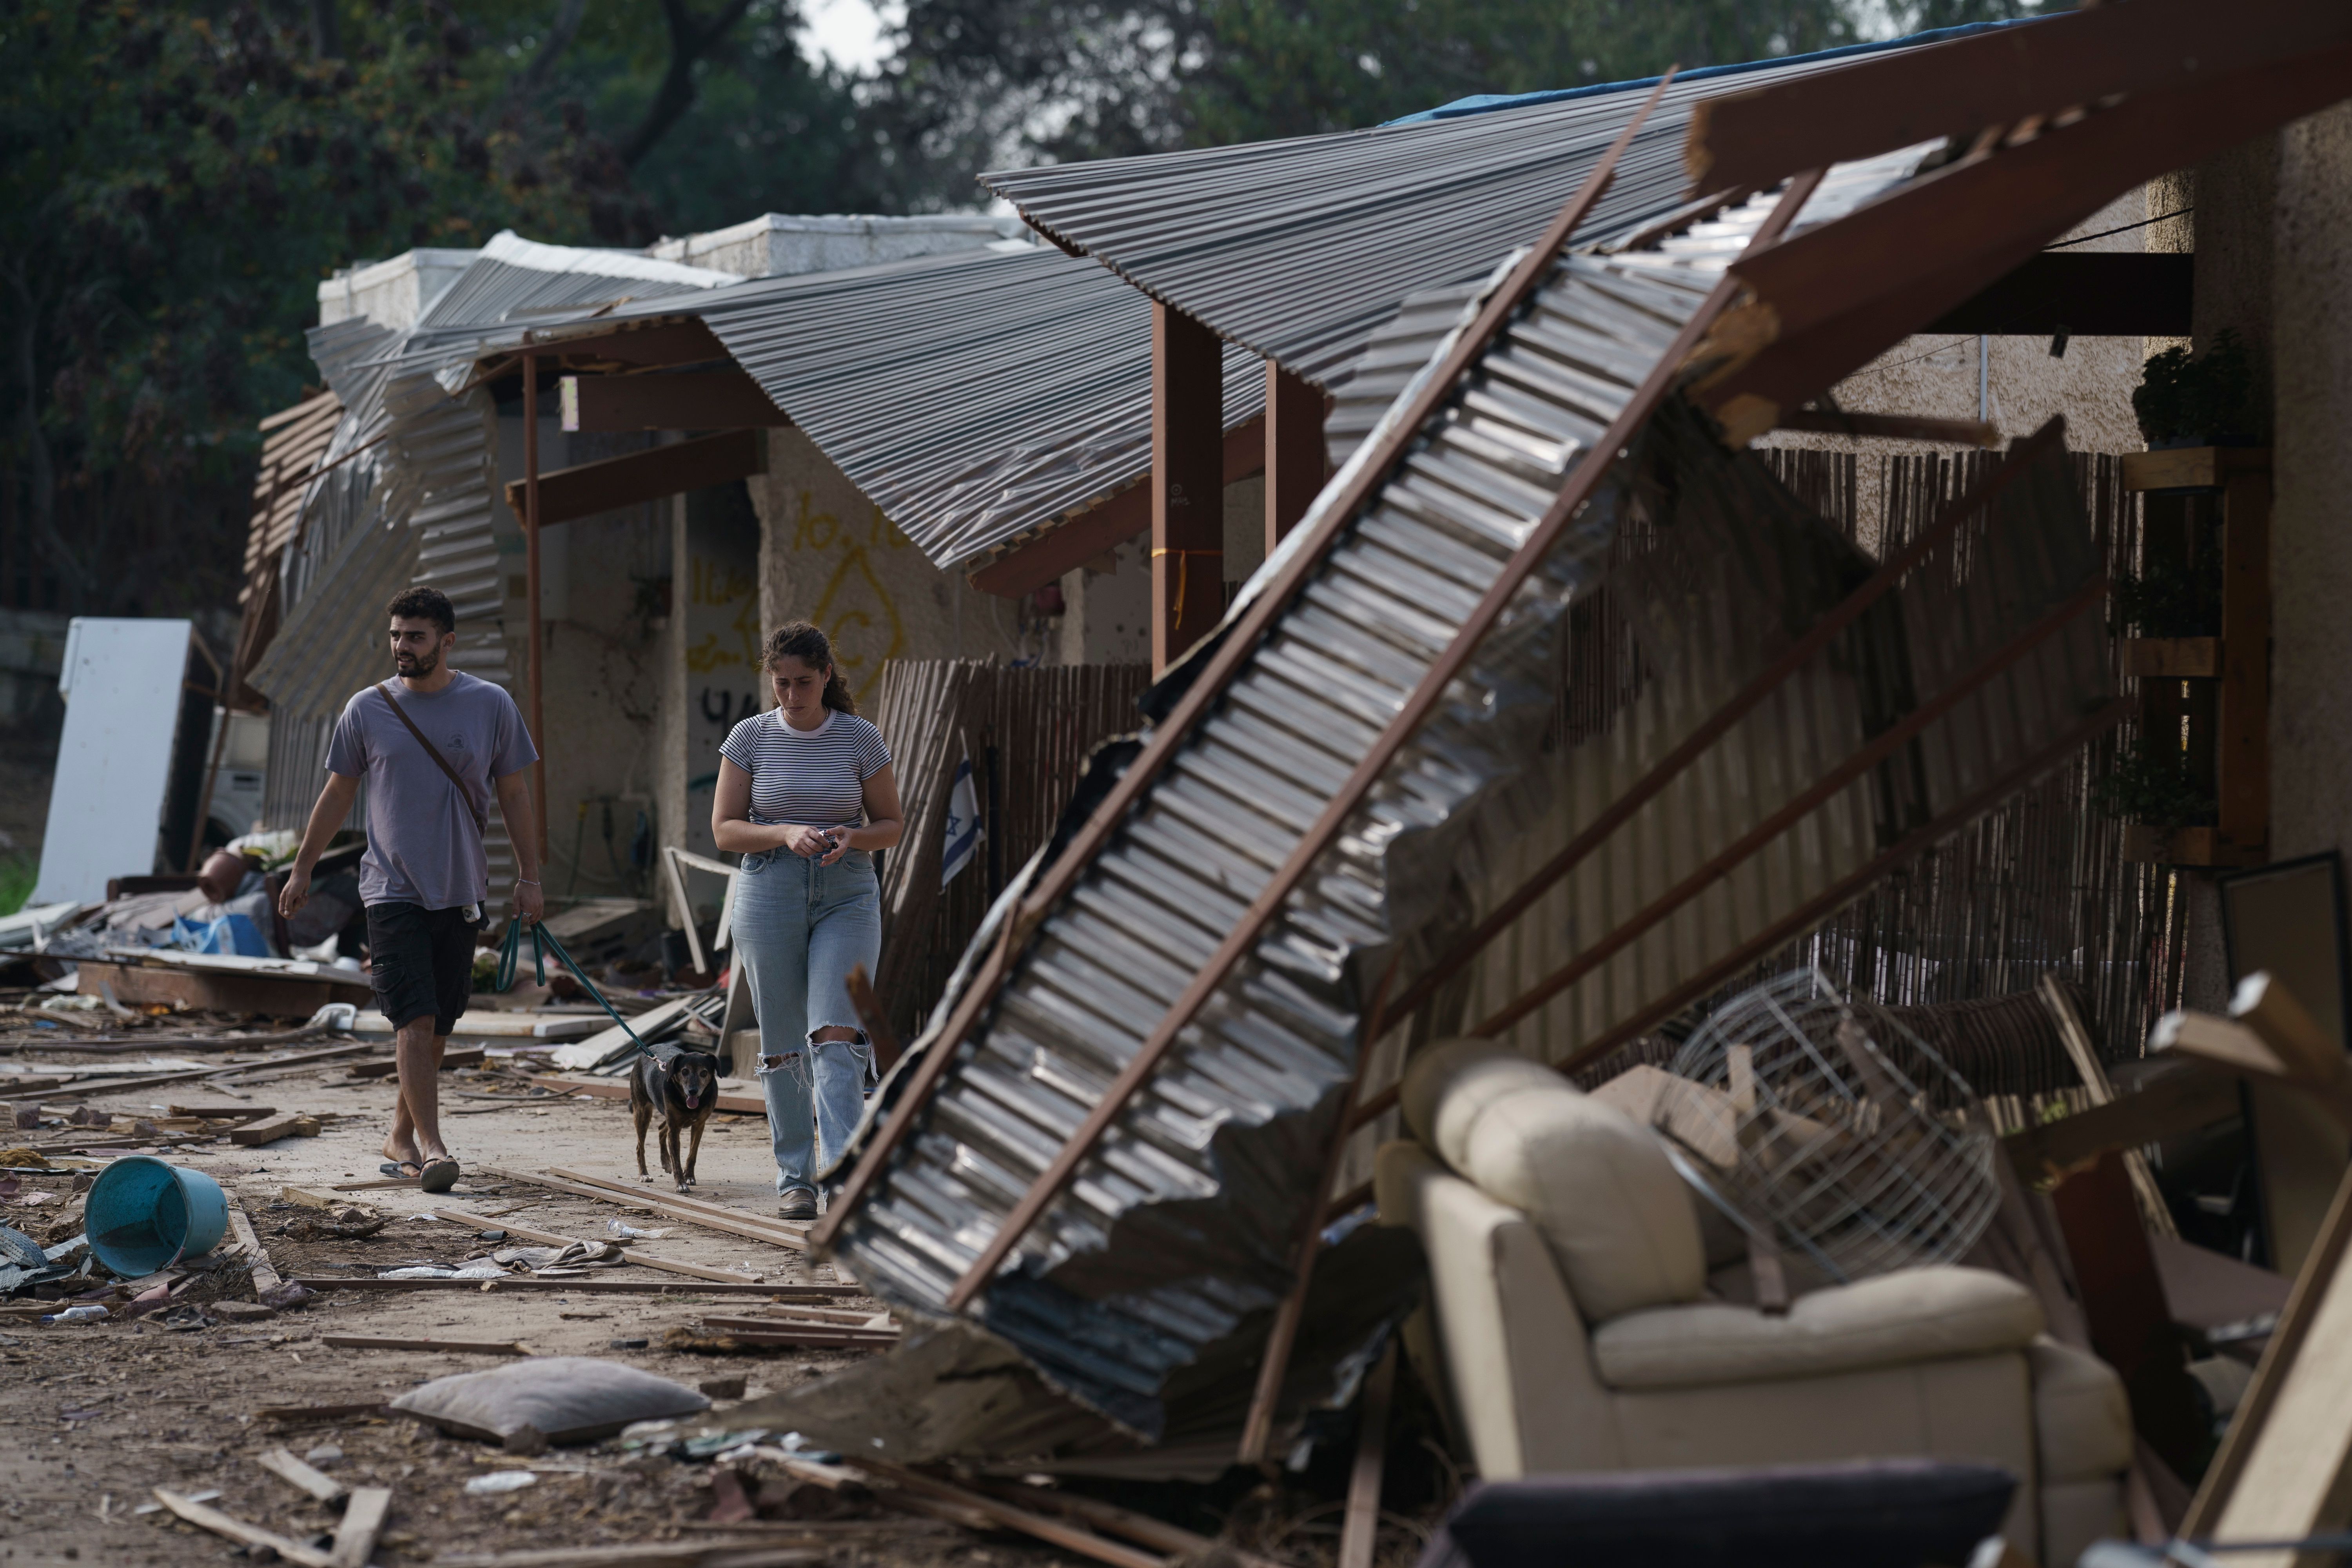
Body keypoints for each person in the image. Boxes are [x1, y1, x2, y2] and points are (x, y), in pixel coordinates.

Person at [279, 586, 542, 1194]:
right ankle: (433, 1146)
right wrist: (302, 869)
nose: (402, 646)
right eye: (396, 634)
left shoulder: (490, 705)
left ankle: (399, 1135)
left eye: (416, 636)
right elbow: (338, 794)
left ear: (447, 642)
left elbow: (516, 795)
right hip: (391, 888)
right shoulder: (366, 709)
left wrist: (530, 878)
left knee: (441, 1023)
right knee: (414, 1020)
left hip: (462, 888)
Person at [713, 622, 904, 1221]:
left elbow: (892, 824)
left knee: (835, 1034)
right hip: (770, 887)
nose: (791, 695)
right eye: (781, 684)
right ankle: (796, 1178)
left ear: (826, 676)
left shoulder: (860, 737)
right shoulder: (749, 737)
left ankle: (844, 1176)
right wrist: (783, 832)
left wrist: (856, 835)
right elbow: (724, 828)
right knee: (783, 1041)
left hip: (847, 892)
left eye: (803, 682)